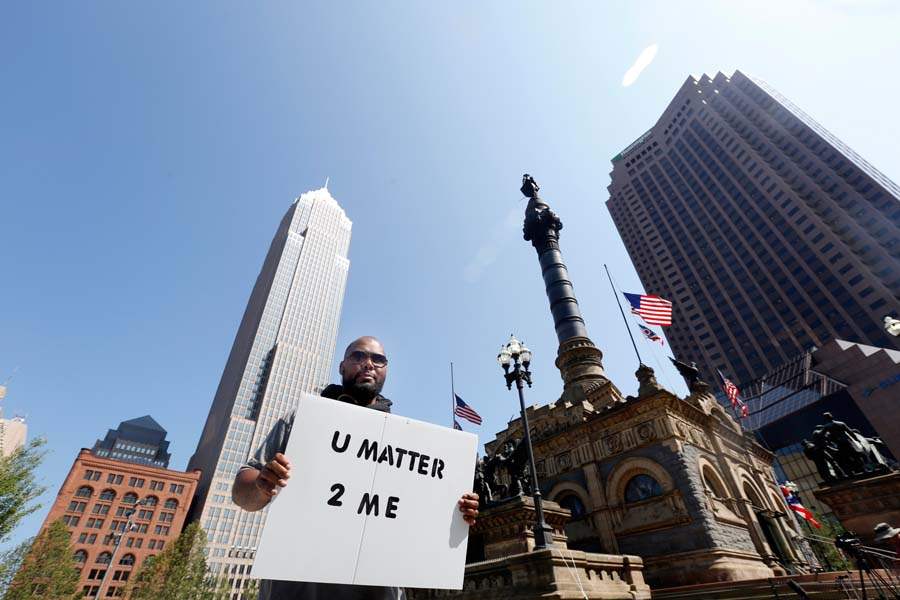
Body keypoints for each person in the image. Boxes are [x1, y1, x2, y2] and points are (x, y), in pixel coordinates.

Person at [233, 336, 480, 600]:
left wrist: (456, 512)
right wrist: (262, 484)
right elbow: (241, 493)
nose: (368, 364)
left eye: (378, 359)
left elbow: (417, 513)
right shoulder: (302, 420)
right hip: (296, 589)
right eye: (358, 356)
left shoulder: (408, 440)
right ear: (342, 366)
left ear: (386, 370)